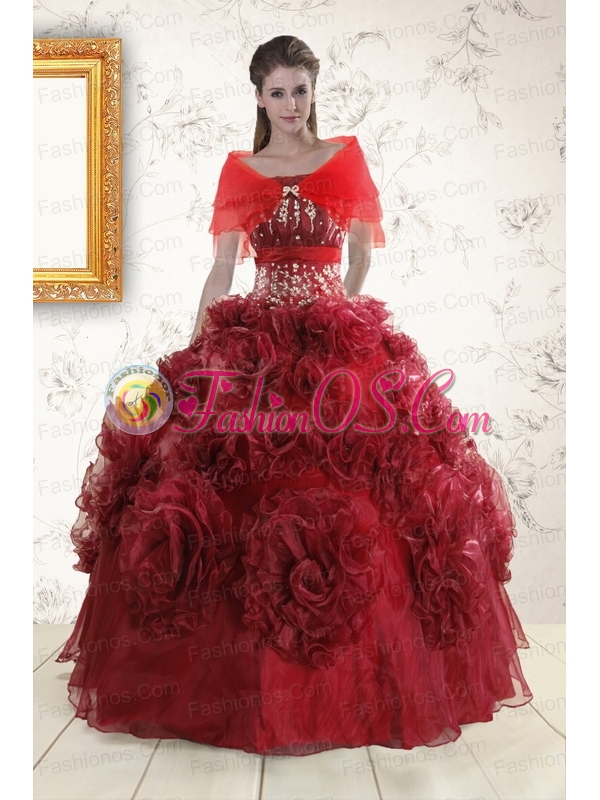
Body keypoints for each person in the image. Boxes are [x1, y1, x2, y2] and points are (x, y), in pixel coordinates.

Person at [56, 35, 532, 756]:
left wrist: (339, 310)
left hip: (333, 335)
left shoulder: (344, 157)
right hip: (254, 338)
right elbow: (223, 269)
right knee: (221, 485)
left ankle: (359, 687)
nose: (289, 104)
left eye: (299, 90)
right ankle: (225, 687)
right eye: (276, 92)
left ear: (313, 90)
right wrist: (195, 347)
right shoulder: (239, 169)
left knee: (374, 486)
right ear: (258, 97)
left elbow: (362, 252)